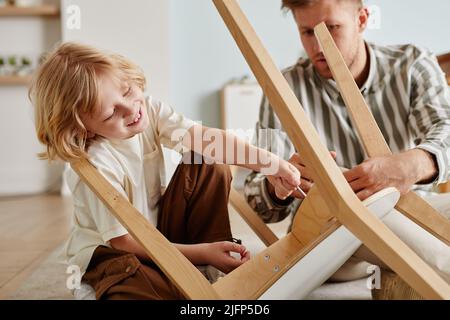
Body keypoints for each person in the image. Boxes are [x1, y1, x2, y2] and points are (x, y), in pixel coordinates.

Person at [30, 42, 301, 300]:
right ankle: (108, 287)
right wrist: (201, 253)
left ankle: (202, 268)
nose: (131, 109)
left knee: (206, 157)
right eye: (111, 113)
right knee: (142, 282)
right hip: (116, 254)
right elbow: (124, 242)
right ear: (84, 129)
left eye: (126, 91)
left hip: (160, 235)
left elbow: (209, 140)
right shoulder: (93, 165)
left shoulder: (148, 108)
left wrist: (270, 163)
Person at [244, 0, 450, 286]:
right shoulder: (284, 88)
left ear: (362, 19)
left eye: (332, 28)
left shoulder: (413, 63)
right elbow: (255, 194)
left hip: (412, 207)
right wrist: (276, 185)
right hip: (334, 236)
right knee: (358, 213)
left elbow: (446, 129)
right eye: (306, 32)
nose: (319, 46)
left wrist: (411, 165)